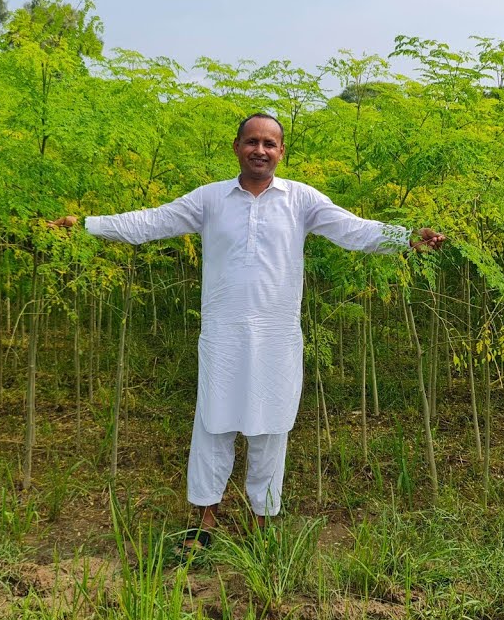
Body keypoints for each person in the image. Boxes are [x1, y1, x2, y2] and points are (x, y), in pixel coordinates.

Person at [51, 113, 444, 545]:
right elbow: (150, 223)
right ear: (236, 146)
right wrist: (87, 225)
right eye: (252, 141)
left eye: (270, 143)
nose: (261, 150)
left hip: (277, 335)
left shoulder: (301, 200)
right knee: (213, 424)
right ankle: (204, 521)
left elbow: (353, 229)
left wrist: (405, 238)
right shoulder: (210, 199)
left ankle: (262, 522)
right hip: (223, 334)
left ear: (281, 152)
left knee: (271, 426)